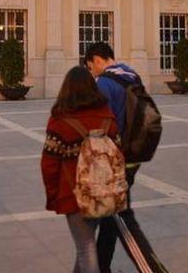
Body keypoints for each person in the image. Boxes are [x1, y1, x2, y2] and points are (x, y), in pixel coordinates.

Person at [84, 42, 166, 273]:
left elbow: (101, 126)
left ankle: (153, 269)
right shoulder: (132, 76)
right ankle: (100, 267)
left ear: (97, 60)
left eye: (91, 67)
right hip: (135, 154)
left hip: (114, 160)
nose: (92, 72)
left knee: (122, 219)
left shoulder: (104, 83)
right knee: (109, 219)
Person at [41, 66, 122, 273]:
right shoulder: (108, 118)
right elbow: (119, 156)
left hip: (73, 194)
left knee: (85, 247)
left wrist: (53, 194)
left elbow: (49, 163)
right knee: (86, 244)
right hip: (103, 193)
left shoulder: (60, 120)